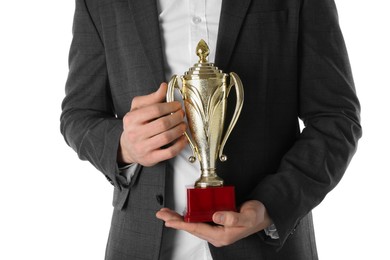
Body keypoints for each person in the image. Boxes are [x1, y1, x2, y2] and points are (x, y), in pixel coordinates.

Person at [60, 0, 362, 259]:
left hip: (266, 248)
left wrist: (270, 207)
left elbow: (336, 117)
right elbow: (79, 114)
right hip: (140, 245)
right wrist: (124, 146)